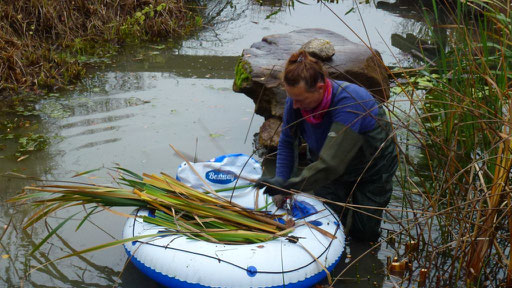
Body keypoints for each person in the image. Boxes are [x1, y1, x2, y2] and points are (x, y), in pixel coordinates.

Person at [256, 50, 398, 242]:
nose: (294, 106)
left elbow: (332, 164)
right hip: (325, 165)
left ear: (320, 88)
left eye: (300, 100)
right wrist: (281, 179)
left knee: (364, 233)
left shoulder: (350, 102)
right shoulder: (296, 101)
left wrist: (290, 185)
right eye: (292, 99)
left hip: (371, 169)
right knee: (328, 224)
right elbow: (288, 142)